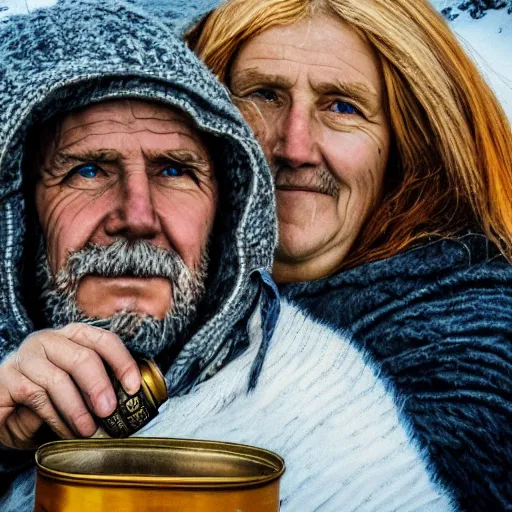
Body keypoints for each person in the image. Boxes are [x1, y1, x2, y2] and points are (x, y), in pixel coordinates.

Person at [0, 1, 467, 511]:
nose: (138, 216)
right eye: (87, 170)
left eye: (175, 170)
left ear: (228, 208)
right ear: (17, 213)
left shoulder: (327, 411)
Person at [186, 0, 512, 510]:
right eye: (264, 95)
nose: (294, 146)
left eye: (342, 106)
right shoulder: (159, 289)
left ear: (408, 147)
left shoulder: (472, 345)